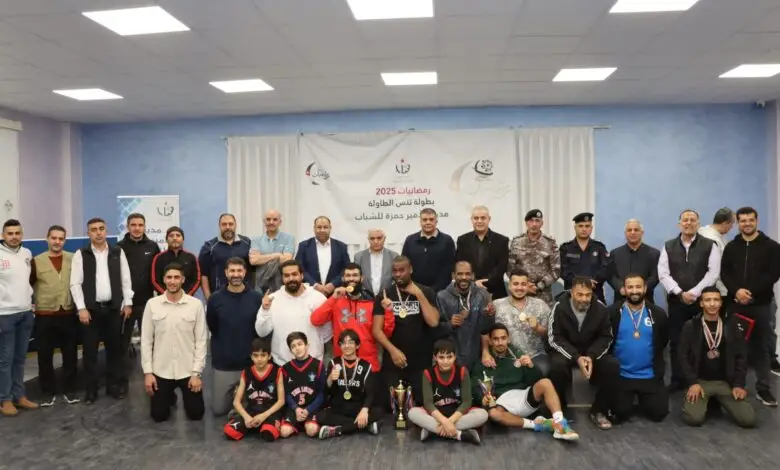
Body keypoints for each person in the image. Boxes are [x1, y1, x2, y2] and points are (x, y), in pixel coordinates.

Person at [472, 324, 578, 441]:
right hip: (502, 404)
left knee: (546, 383)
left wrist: (531, 366)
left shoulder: (518, 355)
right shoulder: (484, 361)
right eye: (496, 339)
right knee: (493, 414)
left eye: (503, 338)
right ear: (490, 341)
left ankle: (560, 424)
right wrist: (482, 398)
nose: (500, 342)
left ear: (508, 339)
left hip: (523, 396)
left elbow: (536, 380)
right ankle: (538, 425)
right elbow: (475, 386)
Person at [720, 207, 780, 407]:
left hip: (761, 305)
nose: (747, 223)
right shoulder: (731, 247)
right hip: (736, 305)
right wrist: (737, 291)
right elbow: (725, 273)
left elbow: (773, 274)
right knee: (736, 347)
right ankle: (736, 385)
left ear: (757, 221)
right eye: (743, 220)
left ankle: (763, 389)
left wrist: (750, 292)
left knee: (761, 348)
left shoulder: (772, 247)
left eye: (750, 220)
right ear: (737, 223)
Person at [70, 217, 134, 404]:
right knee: (90, 352)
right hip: (91, 311)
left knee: (114, 350)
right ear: (88, 233)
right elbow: (75, 284)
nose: (98, 232)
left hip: (114, 310)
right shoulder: (81, 254)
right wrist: (81, 308)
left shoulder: (117, 252)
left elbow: (126, 279)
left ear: (106, 231)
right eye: (94, 229)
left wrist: (128, 302)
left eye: (101, 228)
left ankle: (113, 386)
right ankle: (91, 390)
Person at [658, 209, 720, 392]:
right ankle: (677, 379)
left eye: (693, 220)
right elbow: (663, 273)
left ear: (698, 224)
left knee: (700, 341)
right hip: (676, 302)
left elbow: (713, 272)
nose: (689, 223)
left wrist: (693, 292)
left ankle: (698, 379)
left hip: (701, 302)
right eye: (685, 220)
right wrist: (679, 292)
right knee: (676, 341)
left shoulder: (710, 245)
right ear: (679, 224)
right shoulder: (668, 246)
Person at [548, 276, 619, 430]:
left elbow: (606, 337)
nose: (584, 299)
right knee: (556, 366)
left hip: (591, 352)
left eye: (588, 295)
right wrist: (576, 357)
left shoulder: (601, 308)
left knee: (612, 366)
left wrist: (591, 356)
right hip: (568, 351)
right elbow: (554, 337)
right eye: (580, 294)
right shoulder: (559, 307)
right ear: (571, 292)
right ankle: (560, 409)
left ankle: (599, 410)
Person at [679, 287, 756, 428]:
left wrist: (738, 385)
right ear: (701, 303)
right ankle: (704, 401)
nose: (712, 304)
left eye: (716, 300)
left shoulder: (732, 325)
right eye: (707, 300)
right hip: (700, 382)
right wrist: (692, 382)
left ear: (721, 303)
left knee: (748, 419)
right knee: (694, 419)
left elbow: (741, 357)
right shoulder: (691, 326)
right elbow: (682, 356)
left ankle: (715, 401)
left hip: (724, 383)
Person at [141, 263, 207, 423]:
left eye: (176, 277)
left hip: (188, 371)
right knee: (158, 416)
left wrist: (196, 374)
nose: (172, 281)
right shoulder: (152, 304)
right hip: (162, 371)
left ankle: (177, 395)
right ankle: (168, 396)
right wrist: (148, 373)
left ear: (183, 280)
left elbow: (201, 341)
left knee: (196, 414)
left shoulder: (196, 305)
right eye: (169, 277)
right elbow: (146, 341)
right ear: (164, 279)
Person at [372, 256, 440, 406]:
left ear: (410, 269)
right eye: (395, 271)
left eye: (402, 270)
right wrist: (393, 351)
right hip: (393, 360)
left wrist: (419, 295)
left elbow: (434, 322)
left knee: (422, 404)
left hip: (420, 361)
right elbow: (376, 330)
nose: (398, 274)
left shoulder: (426, 291)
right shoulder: (384, 294)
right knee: (393, 406)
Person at [607, 274, 669, 423]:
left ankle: (643, 398)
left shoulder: (658, 314)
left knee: (659, 414)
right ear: (624, 290)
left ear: (645, 288)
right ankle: (629, 399)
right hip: (622, 374)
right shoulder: (612, 313)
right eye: (630, 287)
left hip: (649, 375)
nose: (634, 291)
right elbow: (606, 342)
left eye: (638, 287)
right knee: (620, 414)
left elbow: (663, 340)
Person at [310, 263, 394, 371]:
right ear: (343, 279)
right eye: (348, 275)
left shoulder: (372, 302)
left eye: (355, 275)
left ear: (362, 278)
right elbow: (315, 320)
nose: (351, 279)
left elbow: (386, 333)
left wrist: (388, 311)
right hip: (341, 362)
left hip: (368, 362)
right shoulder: (336, 301)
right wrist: (333, 298)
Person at [206, 257, 263, 416]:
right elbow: (213, 326)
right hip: (224, 364)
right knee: (219, 410)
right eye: (232, 271)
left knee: (254, 407)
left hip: (249, 364)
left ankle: (240, 397)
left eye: (239, 270)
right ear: (226, 273)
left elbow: (260, 330)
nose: (236, 274)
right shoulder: (215, 299)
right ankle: (236, 397)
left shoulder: (256, 298)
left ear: (245, 272)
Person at [30, 225, 79, 407]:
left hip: (68, 313)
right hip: (44, 314)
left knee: (70, 354)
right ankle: (47, 392)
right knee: (44, 355)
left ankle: (69, 389)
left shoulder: (74, 259)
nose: (57, 241)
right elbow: (28, 285)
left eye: (61, 238)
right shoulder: (36, 261)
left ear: (65, 240)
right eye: (54, 238)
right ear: (47, 239)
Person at [407, 339, 487, 444]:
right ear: (435, 357)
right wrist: (444, 421)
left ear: (455, 356)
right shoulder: (428, 373)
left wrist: (449, 422)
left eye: (449, 357)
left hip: (457, 415)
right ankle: (459, 434)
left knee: (482, 414)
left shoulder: (462, 371)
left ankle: (433, 430)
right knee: (413, 413)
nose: (446, 361)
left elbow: (467, 402)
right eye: (441, 357)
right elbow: (428, 403)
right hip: (436, 415)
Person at [117, 213, 160, 395]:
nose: (137, 228)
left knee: (151, 345)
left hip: (147, 303)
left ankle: (156, 382)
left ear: (144, 226)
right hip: (125, 305)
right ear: (128, 227)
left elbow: (158, 273)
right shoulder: (118, 248)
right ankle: (121, 383)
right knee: (122, 345)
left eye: (140, 225)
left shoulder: (152, 246)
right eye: (133, 225)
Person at [255, 260, 331, 365]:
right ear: (282, 278)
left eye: (294, 274)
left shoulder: (318, 298)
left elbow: (327, 332)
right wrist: (265, 310)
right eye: (286, 275)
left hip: (313, 363)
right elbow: (261, 332)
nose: (291, 279)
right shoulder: (272, 299)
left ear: (302, 275)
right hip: (282, 364)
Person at [316, 329, 383, 439]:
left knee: (378, 412)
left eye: (351, 342)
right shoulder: (334, 363)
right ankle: (364, 425)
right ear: (340, 346)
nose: (347, 346)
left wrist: (364, 410)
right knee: (320, 416)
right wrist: (330, 379)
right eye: (343, 343)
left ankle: (337, 430)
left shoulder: (366, 366)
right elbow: (327, 391)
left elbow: (370, 393)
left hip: (357, 407)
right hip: (339, 407)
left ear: (357, 345)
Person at [0, 219, 37, 416]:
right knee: (5, 360)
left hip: (25, 313)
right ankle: (4, 399)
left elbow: (28, 281)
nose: (14, 237)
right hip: (4, 314)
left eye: (17, 233)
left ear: (22, 234)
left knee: (20, 358)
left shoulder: (27, 253)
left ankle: (19, 395)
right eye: (10, 233)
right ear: (3, 235)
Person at [490, 269, 551, 375]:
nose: (519, 288)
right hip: (506, 356)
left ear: (528, 286)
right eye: (515, 284)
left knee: (543, 372)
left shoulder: (540, 305)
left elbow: (551, 335)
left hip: (535, 355)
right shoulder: (497, 305)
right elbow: (487, 332)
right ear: (509, 285)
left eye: (523, 284)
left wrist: (537, 328)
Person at [224, 338, 284, 441]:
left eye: (263, 355)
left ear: (269, 356)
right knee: (229, 432)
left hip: (270, 413)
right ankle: (253, 425)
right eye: (256, 355)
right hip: (251, 412)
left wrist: (263, 416)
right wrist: (246, 417)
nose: (259, 359)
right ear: (251, 357)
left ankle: (262, 426)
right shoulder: (246, 372)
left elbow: (281, 401)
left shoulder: (277, 371)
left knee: (268, 434)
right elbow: (236, 402)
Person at [436, 261, 493, 371]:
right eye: (460, 274)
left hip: (477, 354)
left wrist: (489, 316)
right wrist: (450, 324)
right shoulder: (442, 297)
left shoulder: (482, 295)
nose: (464, 277)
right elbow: (435, 330)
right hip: (452, 356)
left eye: (467, 274)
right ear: (453, 275)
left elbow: (486, 330)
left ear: (473, 275)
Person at [507, 209, 561, 306]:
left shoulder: (550, 242)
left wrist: (538, 286)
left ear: (542, 223)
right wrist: (523, 286)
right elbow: (510, 268)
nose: (534, 224)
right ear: (526, 223)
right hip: (520, 293)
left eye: (537, 221)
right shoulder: (516, 241)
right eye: (531, 221)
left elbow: (556, 270)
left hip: (543, 296)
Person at [455, 205, 509, 299]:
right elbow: (460, 265)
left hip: (495, 293)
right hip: (469, 291)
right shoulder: (462, 240)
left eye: (483, 218)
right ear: (472, 220)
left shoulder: (502, 240)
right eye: (476, 218)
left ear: (489, 219)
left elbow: (501, 266)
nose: (479, 221)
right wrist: (474, 283)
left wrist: (485, 283)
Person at [280, 332, 325, 438]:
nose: (297, 348)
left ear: (307, 345)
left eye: (300, 344)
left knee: (312, 431)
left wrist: (308, 410)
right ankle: (298, 425)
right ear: (290, 350)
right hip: (294, 408)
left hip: (312, 407)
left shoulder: (318, 365)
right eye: (293, 346)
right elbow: (286, 393)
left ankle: (307, 424)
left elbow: (322, 393)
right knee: (284, 432)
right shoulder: (285, 368)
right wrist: (295, 408)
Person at [199, 213, 252, 300]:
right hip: (219, 297)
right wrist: (209, 299)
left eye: (230, 224)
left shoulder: (247, 243)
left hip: (245, 296)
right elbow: (204, 275)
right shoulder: (209, 246)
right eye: (224, 224)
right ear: (219, 226)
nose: (227, 227)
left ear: (235, 225)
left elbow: (254, 270)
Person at [401, 208, 456, 292]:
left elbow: (449, 267)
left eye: (431, 219)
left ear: (436, 221)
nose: (428, 222)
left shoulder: (447, 241)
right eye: (424, 220)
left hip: (441, 292)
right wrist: (412, 287)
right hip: (414, 291)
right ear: (420, 222)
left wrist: (437, 288)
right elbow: (405, 265)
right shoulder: (410, 240)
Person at [560, 212, 610, 303]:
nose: (584, 229)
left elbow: (605, 269)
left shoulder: (599, 247)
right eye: (580, 226)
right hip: (572, 296)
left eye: (587, 226)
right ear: (575, 228)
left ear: (591, 228)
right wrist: (583, 282)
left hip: (595, 295)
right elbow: (563, 271)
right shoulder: (565, 248)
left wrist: (592, 282)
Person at [295, 216, 350, 297]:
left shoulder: (341, 247)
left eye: (325, 227)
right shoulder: (304, 246)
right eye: (319, 227)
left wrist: (333, 284)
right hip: (310, 293)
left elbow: (346, 269)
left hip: (335, 293)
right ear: (314, 228)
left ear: (330, 228)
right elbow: (299, 269)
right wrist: (314, 285)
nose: (322, 230)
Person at [607, 219, 660, 304]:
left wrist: (643, 288)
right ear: (625, 233)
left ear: (642, 233)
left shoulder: (654, 254)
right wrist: (620, 287)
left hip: (645, 301)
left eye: (636, 230)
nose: (632, 232)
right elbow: (610, 275)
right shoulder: (615, 253)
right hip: (620, 301)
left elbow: (655, 276)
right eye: (629, 230)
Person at [249, 209, 295, 296]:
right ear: (264, 221)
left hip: (283, 286)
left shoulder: (289, 238)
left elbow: (287, 259)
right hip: (260, 286)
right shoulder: (256, 240)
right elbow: (254, 260)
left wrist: (261, 257)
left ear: (280, 222)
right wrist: (277, 255)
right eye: (268, 219)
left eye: (275, 219)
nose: (271, 222)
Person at [152, 226, 200, 296]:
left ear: (183, 239)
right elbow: (155, 281)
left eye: (178, 235)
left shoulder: (191, 257)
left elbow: (197, 280)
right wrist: (167, 295)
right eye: (171, 236)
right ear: (166, 239)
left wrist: (186, 296)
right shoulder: (159, 258)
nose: (175, 238)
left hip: (187, 299)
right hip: (164, 299)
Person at [698, 207, 734, 297]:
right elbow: (717, 269)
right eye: (732, 223)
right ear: (725, 223)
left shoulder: (701, 231)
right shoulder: (714, 240)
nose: (732, 227)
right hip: (714, 290)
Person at [353, 229, 398, 297]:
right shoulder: (359, 256)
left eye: (379, 238)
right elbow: (356, 277)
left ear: (384, 239)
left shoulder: (394, 256)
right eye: (372, 238)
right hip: (365, 297)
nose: (376, 241)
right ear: (368, 239)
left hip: (387, 297)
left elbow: (396, 278)